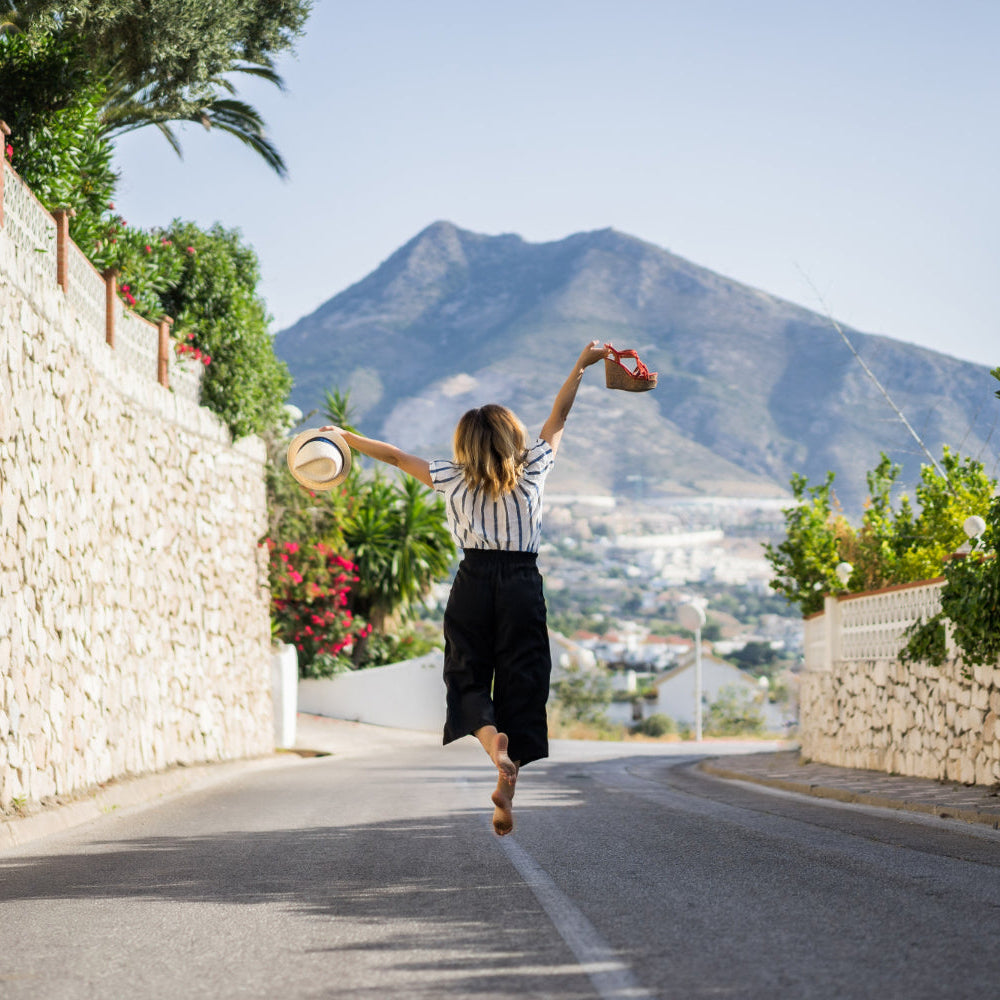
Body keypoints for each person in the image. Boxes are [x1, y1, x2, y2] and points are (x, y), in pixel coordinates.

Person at [320, 339, 609, 835]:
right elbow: (559, 415)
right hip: (521, 582)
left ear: (466, 445)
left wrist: (345, 436)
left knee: (466, 675)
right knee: (523, 679)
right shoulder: (534, 469)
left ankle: (494, 745)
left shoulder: (450, 477)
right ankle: (507, 775)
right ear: (512, 437)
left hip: (473, 581)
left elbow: (394, 457)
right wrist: (581, 365)